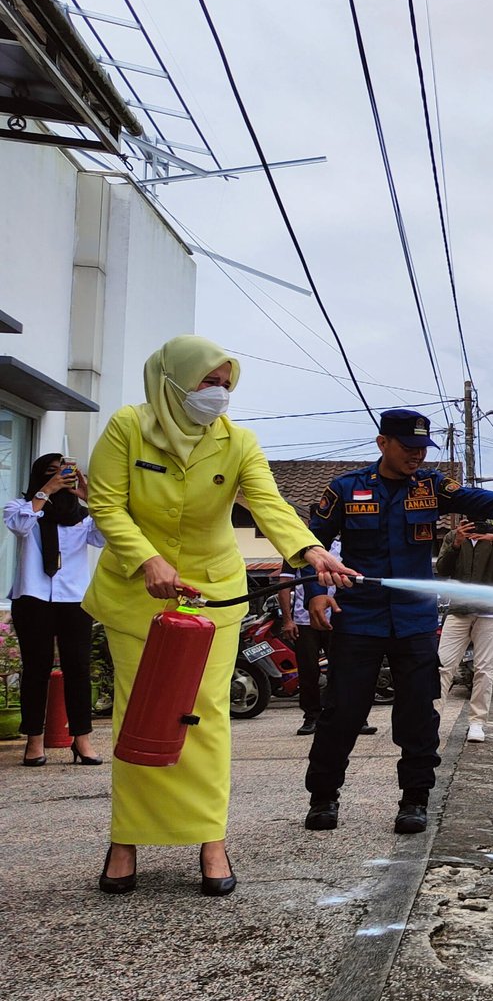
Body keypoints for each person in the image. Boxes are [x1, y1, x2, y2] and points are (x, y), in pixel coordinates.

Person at [84, 336, 355, 897]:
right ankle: (126, 839)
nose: (219, 394)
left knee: (205, 717)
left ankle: (211, 839)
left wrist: (310, 551)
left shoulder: (239, 442)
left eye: (226, 385)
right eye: (208, 382)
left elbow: (269, 504)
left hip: (213, 598)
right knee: (142, 715)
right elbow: (106, 503)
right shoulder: (128, 426)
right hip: (136, 595)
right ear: (173, 379)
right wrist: (147, 559)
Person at [302, 408, 493, 835]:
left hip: (414, 622)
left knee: (419, 714)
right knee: (342, 712)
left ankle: (414, 800)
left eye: (422, 448)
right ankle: (323, 798)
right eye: (408, 447)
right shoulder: (345, 489)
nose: (417, 455)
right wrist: (316, 592)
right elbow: (311, 543)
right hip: (358, 618)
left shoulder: (431, 486)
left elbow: (472, 498)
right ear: (383, 443)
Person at [5, 453, 105, 766]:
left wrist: (91, 498)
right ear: (39, 476)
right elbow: (20, 526)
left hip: (74, 599)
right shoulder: (22, 507)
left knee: (78, 668)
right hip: (33, 597)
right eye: (51, 472)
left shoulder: (84, 516)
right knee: (36, 669)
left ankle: (82, 740)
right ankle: (34, 741)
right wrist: (47, 490)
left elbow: (106, 537)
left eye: (65, 472)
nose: (60, 477)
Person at [277, 536, 375, 737]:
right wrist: (287, 620)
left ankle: (354, 717)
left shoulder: (345, 547)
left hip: (338, 617)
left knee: (345, 669)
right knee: (308, 671)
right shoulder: (299, 550)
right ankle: (311, 716)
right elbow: (284, 585)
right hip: (305, 620)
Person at [435, 517, 493, 743]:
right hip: (458, 609)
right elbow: (442, 569)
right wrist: (456, 544)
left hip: (488, 611)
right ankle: (432, 720)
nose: (476, 520)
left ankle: (477, 723)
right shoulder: (453, 535)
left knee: (484, 668)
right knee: (442, 665)